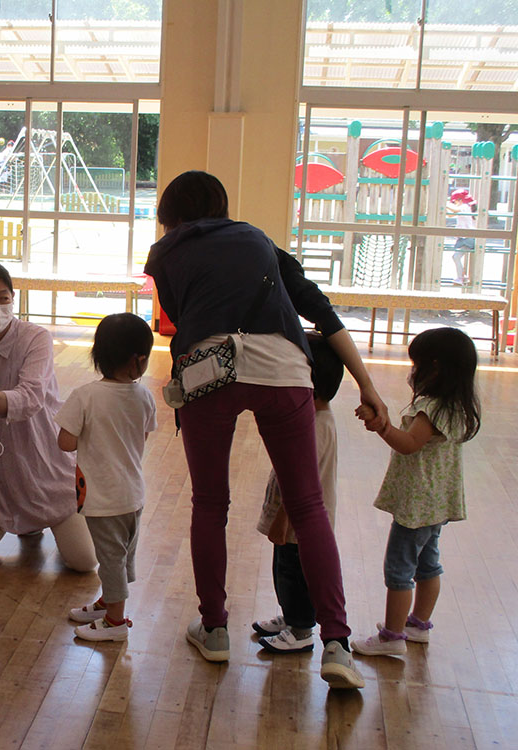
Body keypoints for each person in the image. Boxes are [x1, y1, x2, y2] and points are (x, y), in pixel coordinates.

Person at [144, 170, 379, 690]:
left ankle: (215, 630)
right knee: (308, 506)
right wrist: (367, 385)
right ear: (223, 206)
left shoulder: (164, 255)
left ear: (173, 218)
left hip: (209, 371)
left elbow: (181, 320)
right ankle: (337, 643)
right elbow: (320, 309)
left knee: (210, 505)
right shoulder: (257, 239)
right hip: (284, 368)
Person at [0, 261, 97, 573]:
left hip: (49, 473)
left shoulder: (35, 338)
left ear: (14, 298)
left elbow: (30, 399)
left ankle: (68, 513)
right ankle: (23, 521)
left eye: (4, 297)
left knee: (84, 560)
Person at [351, 327, 480, 656]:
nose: (412, 371)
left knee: (399, 568)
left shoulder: (433, 408)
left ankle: (392, 638)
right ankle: (418, 625)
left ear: (434, 368)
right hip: (434, 504)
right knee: (428, 563)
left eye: (416, 363)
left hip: (417, 503)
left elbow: (408, 444)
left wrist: (381, 426)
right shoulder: (454, 406)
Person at [56, 313, 157, 642]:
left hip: (102, 496)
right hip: (133, 494)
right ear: (138, 361)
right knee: (122, 555)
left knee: (109, 559)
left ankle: (115, 622)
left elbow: (65, 442)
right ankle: (108, 602)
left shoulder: (85, 395)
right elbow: (143, 433)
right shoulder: (145, 397)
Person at [252, 332, 345, 654]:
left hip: (296, 524)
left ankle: (301, 627)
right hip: (292, 523)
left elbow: (304, 485)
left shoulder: (317, 426)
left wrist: (281, 521)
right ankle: (292, 618)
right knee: (285, 571)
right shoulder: (310, 418)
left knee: (295, 574)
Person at [447, 188, 477, 285]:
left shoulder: (465, 206)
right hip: (465, 237)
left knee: (456, 257)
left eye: (454, 201)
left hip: (467, 237)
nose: (454, 203)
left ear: (460, 200)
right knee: (456, 256)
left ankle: (461, 278)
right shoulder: (466, 207)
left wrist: (445, 204)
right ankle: (462, 276)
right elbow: (451, 215)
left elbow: (455, 210)